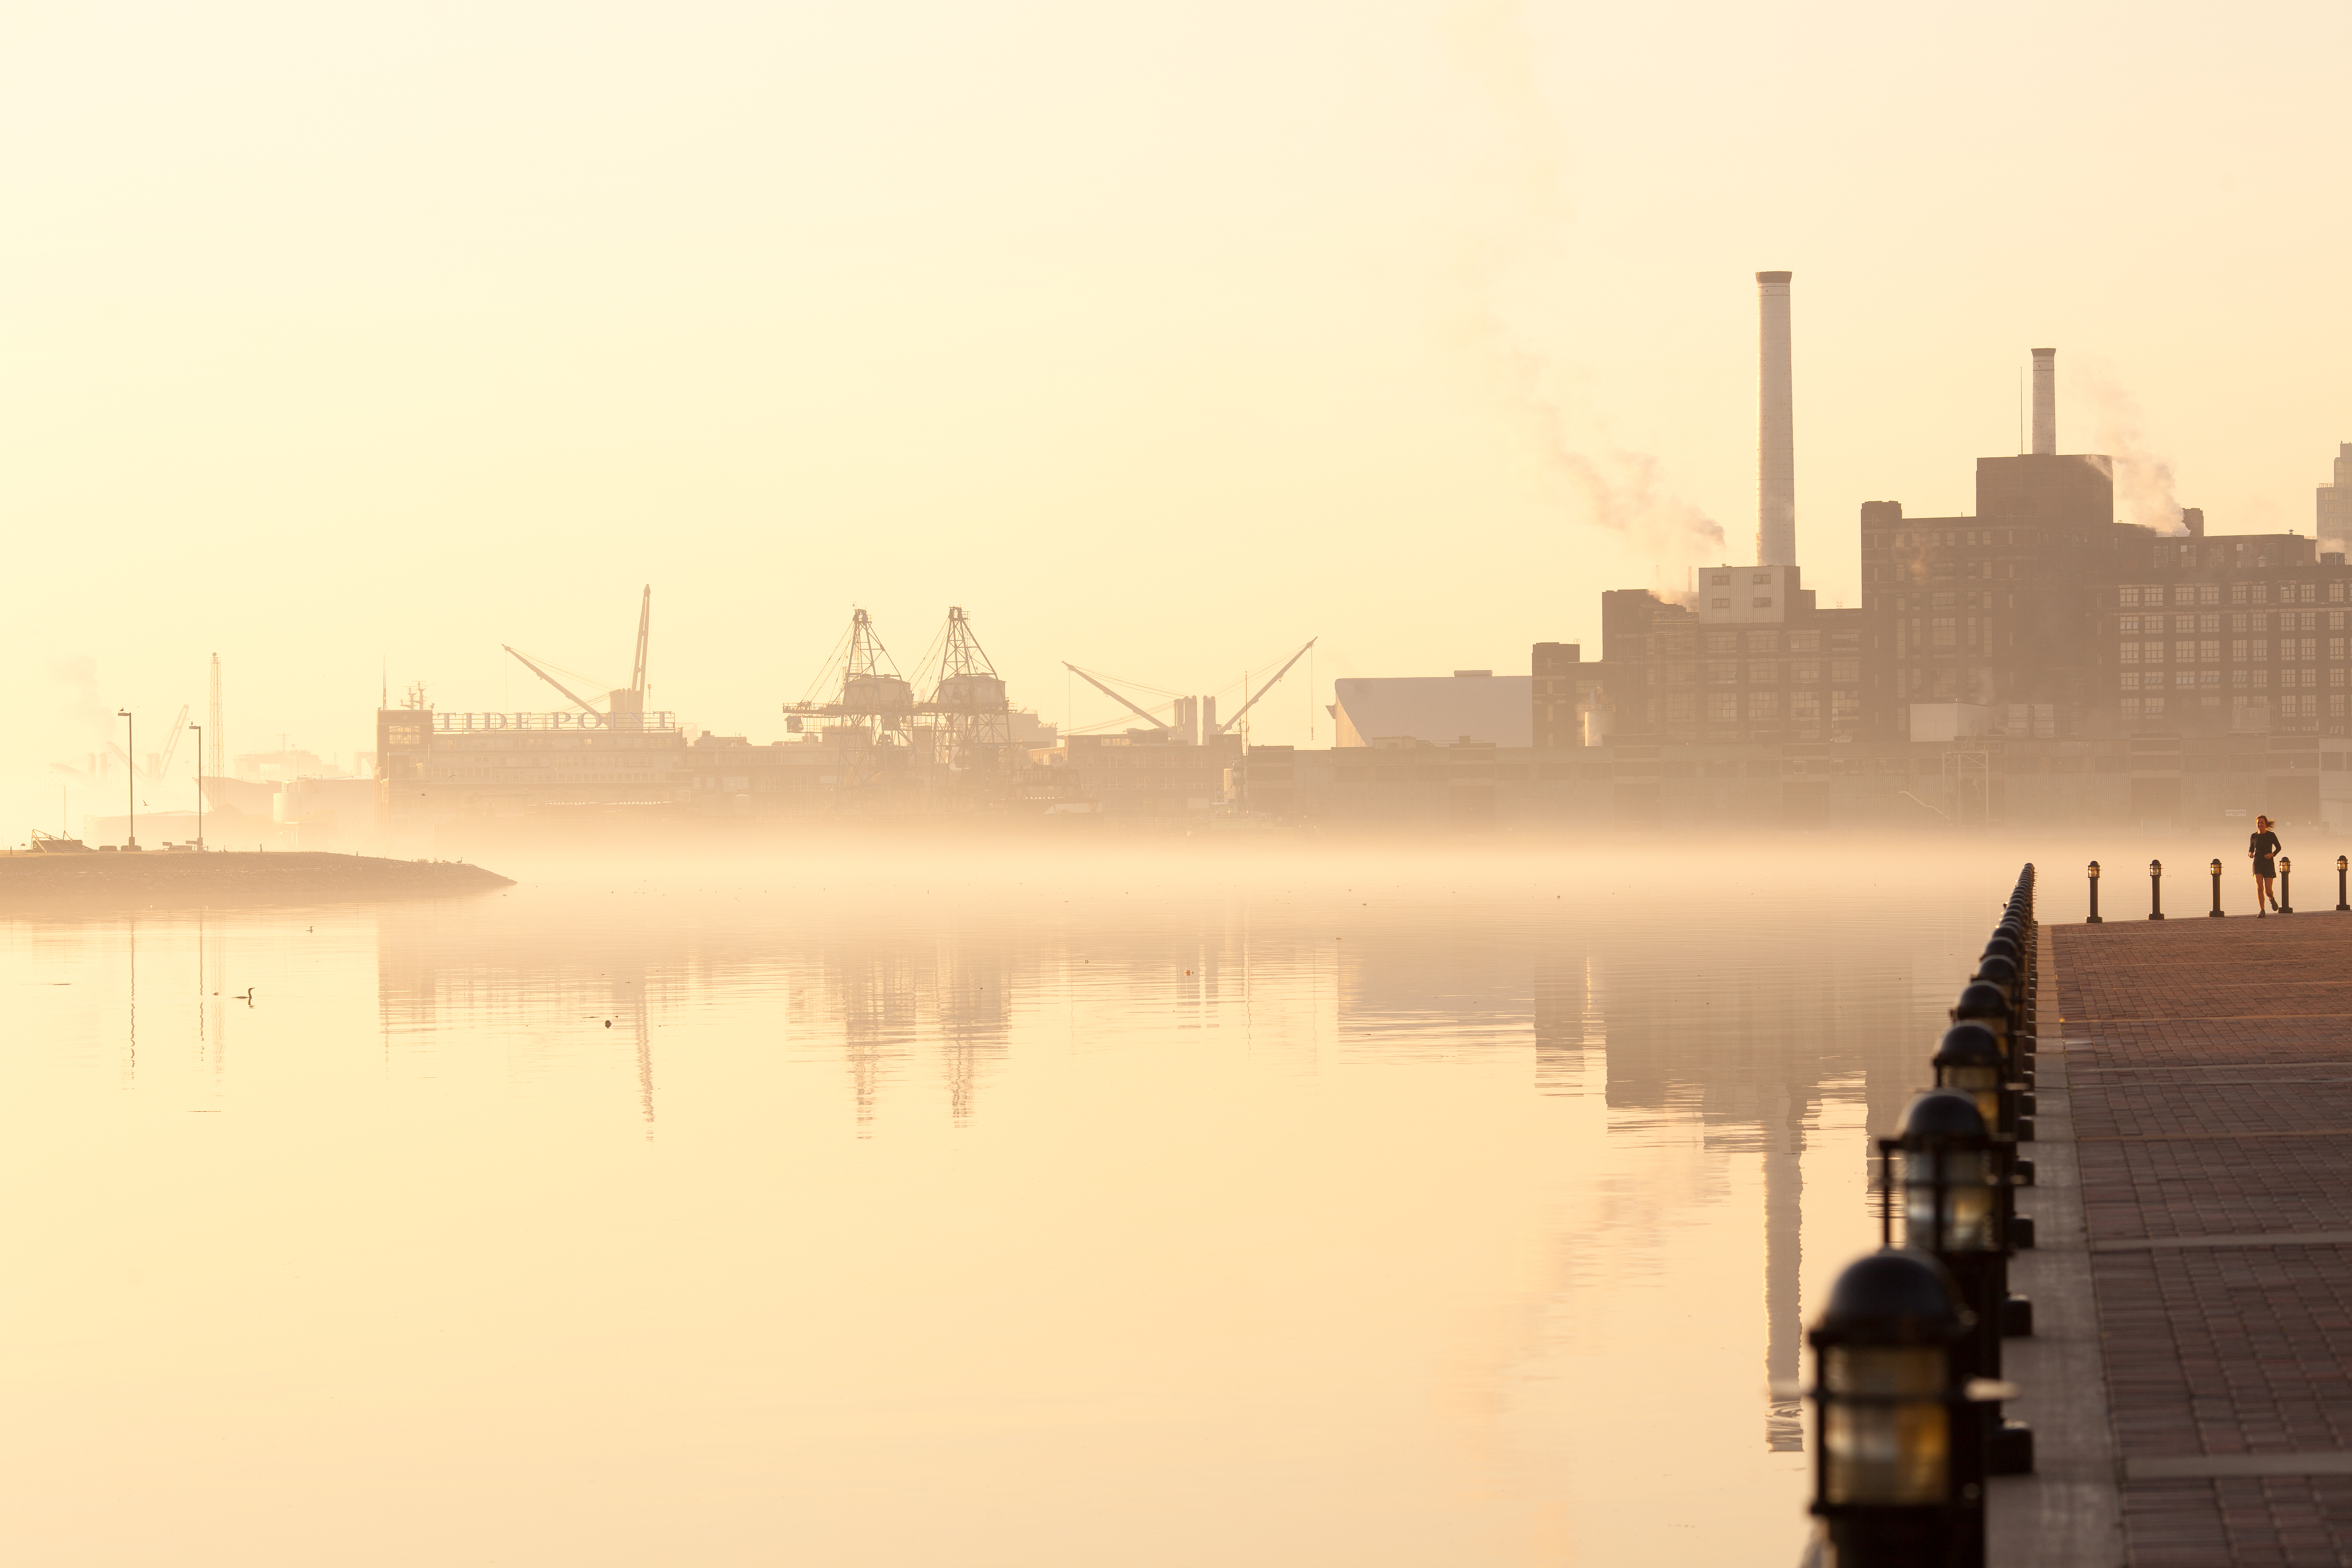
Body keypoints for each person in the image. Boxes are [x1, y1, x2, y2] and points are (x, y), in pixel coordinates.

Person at [2250, 815, 2283, 915]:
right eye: (2258, 823)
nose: (2260, 825)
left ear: (2266, 824)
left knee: (2268, 891)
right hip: (2258, 864)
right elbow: (2251, 848)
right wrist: (2250, 854)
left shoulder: (2271, 835)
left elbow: (2279, 848)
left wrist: (2273, 854)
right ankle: (2262, 910)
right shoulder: (2254, 836)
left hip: (2268, 863)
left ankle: (2272, 899)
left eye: (2262, 823)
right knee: (2259, 887)